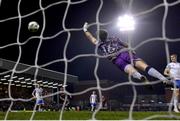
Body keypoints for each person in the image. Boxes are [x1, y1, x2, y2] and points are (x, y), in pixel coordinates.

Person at [83, 22, 168, 84]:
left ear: (99, 37)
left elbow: (90, 37)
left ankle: (140, 77)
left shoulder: (99, 43)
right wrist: (131, 49)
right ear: (106, 34)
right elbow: (126, 44)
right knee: (144, 66)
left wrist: (85, 29)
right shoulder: (114, 38)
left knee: (131, 70)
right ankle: (163, 79)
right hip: (125, 53)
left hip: (116, 60)